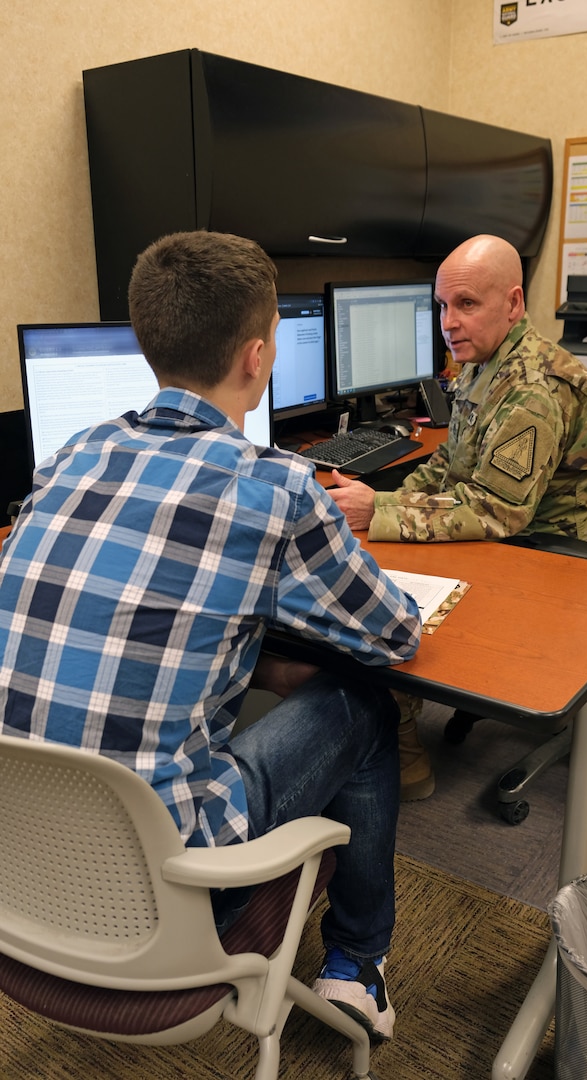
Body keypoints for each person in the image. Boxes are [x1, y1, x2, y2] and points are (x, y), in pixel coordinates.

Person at [0, 230, 423, 1043]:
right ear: (259, 359)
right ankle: (357, 967)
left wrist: (256, 664)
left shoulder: (68, 456)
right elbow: (395, 634)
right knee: (366, 701)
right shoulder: (276, 488)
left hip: (24, 872)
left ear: (147, 340)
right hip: (172, 898)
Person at [329, 233, 587, 793]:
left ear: (513, 303)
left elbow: (498, 511)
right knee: (379, 558)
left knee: (402, 597)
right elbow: (449, 468)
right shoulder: (483, 362)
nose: (448, 323)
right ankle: (391, 728)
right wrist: (377, 508)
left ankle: (403, 748)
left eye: (467, 305)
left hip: (551, 555)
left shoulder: (533, 389)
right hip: (513, 530)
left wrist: (381, 509)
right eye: (442, 306)